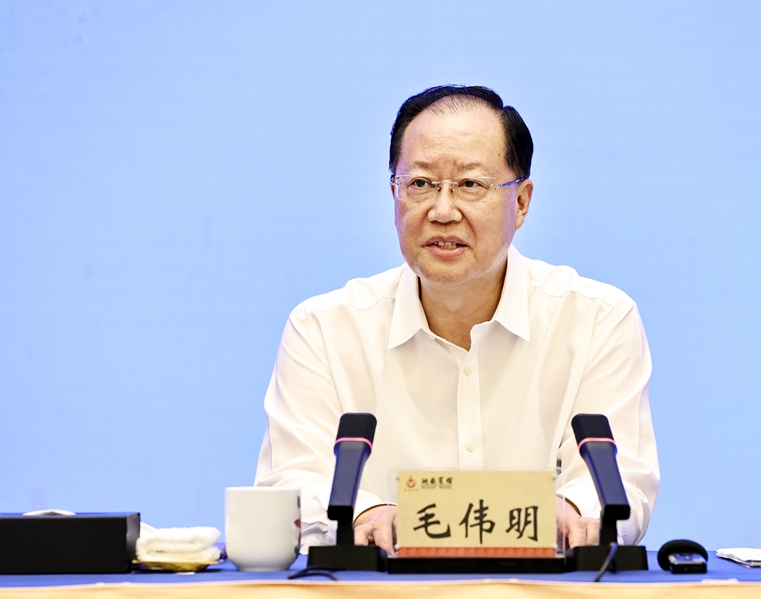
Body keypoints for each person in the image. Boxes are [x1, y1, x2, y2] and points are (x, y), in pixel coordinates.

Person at [255, 85, 659, 555]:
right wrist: (365, 515)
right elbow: (292, 482)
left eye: (470, 185)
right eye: (420, 184)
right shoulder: (324, 329)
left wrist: (569, 511)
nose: (442, 211)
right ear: (393, 194)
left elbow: (621, 482)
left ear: (521, 202)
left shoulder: (597, 320)